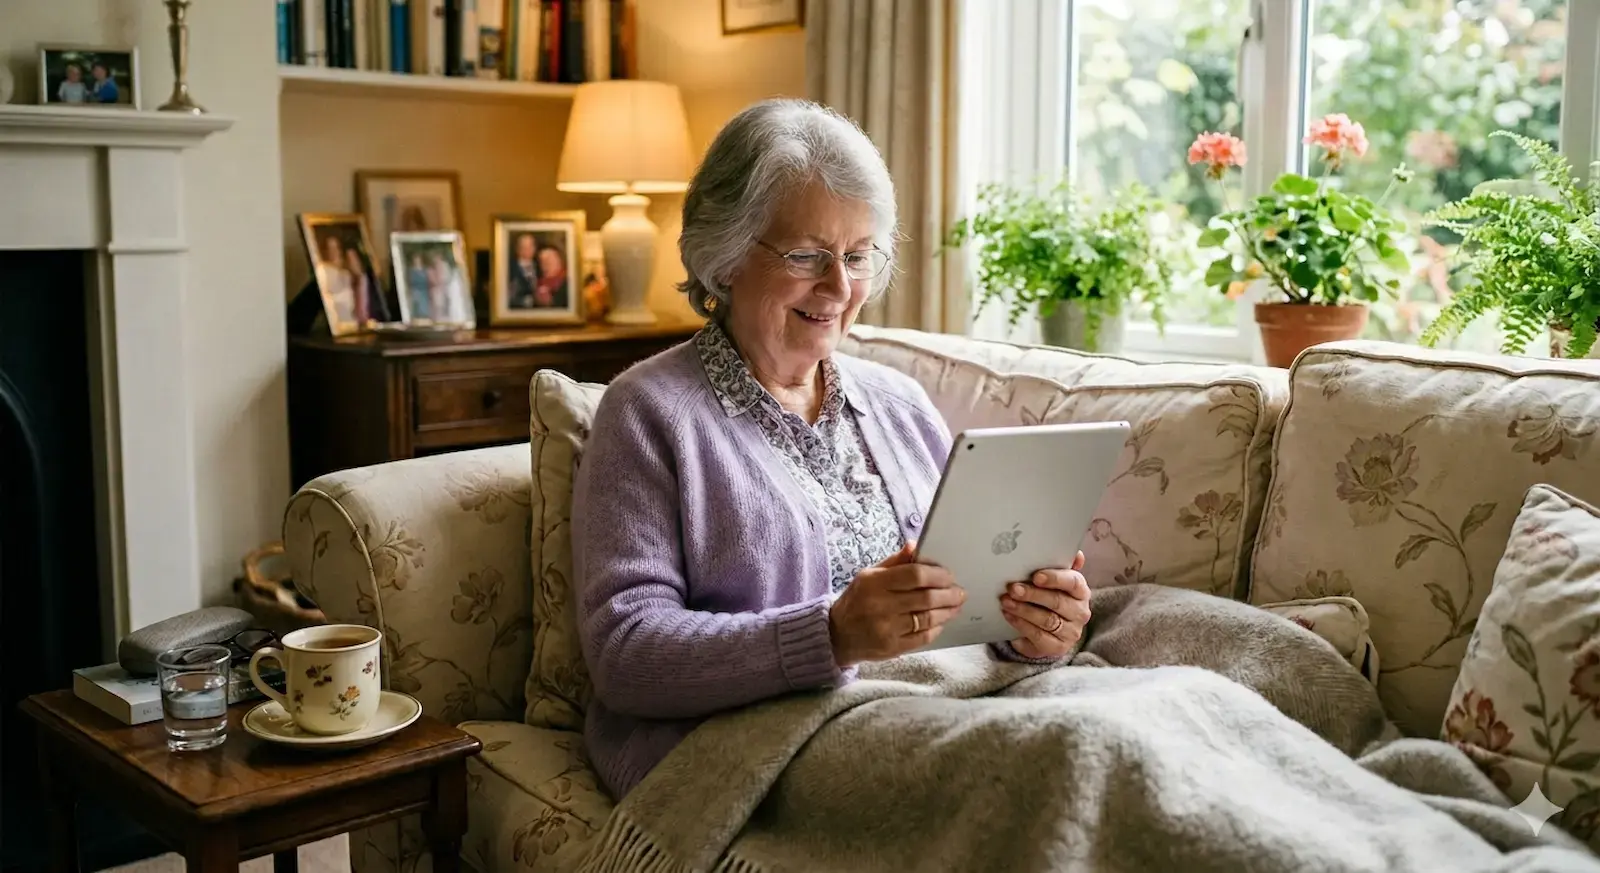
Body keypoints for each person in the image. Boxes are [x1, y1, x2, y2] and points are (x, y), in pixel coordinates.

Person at [571, 98, 1094, 800]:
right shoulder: (647, 413)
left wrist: (1034, 627)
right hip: (772, 739)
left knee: (1190, 667)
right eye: (808, 256)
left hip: (954, 700)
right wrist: (832, 635)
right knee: (1081, 756)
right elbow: (625, 654)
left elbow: (965, 602)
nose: (840, 288)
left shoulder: (898, 400)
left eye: (857, 256)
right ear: (724, 260)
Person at [506, 232, 540, 309]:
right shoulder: (508, 268)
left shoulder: (540, 266)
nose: (527, 250)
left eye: (530, 246)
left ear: (535, 248)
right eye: (523, 246)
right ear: (517, 248)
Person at [533, 244, 568, 308]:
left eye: (549, 258)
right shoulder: (536, 285)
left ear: (559, 260)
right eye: (542, 260)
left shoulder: (569, 283)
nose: (546, 263)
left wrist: (551, 303)